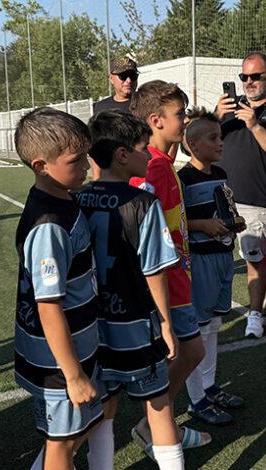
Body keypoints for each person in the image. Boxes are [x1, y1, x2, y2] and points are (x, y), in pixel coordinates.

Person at [79, 110, 185, 469]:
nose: (149, 155)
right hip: (135, 322)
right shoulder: (143, 203)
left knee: (104, 407)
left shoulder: (78, 199)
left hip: (94, 324)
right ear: (122, 155)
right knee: (159, 405)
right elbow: (154, 270)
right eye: (143, 148)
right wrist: (166, 325)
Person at [13, 107, 112, 470]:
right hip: (57, 360)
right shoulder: (49, 226)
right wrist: (72, 374)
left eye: (86, 155)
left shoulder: (65, 199)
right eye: (76, 160)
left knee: (82, 427)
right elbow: (49, 306)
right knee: (62, 444)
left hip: (78, 345)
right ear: (41, 166)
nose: (86, 165)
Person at [128, 80, 211, 451]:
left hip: (175, 274)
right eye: (180, 114)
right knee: (188, 352)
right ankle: (155, 426)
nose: (185, 119)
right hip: (168, 279)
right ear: (156, 120)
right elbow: (146, 232)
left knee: (181, 353)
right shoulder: (154, 168)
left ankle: (160, 424)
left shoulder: (159, 162)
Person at [215, 51, 266, 339]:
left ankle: (255, 313)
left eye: (255, 76)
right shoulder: (228, 110)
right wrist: (216, 116)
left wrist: (254, 125)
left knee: (254, 259)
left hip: (255, 201)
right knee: (213, 258)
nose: (249, 82)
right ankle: (213, 309)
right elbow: (193, 146)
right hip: (219, 197)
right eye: (244, 77)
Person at [178, 108, 245, 426]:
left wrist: (234, 221)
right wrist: (202, 224)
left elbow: (225, 208)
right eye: (213, 138)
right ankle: (196, 400)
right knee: (200, 329)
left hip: (224, 256)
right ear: (193, 144)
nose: (221, 143)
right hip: (201, 260)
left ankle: (209, 386)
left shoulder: (220, 173)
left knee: (214, 325)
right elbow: (176, 222)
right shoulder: (183, 179)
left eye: (220, 137)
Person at [89, 57, 140, 181]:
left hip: (142, 175)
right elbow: (97, 146)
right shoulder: (101, 108)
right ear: (111, 78)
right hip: (114, 177)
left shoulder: (146, 103)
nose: (128, 80)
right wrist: (97, 179)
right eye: (123, 76)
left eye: (133, 76)